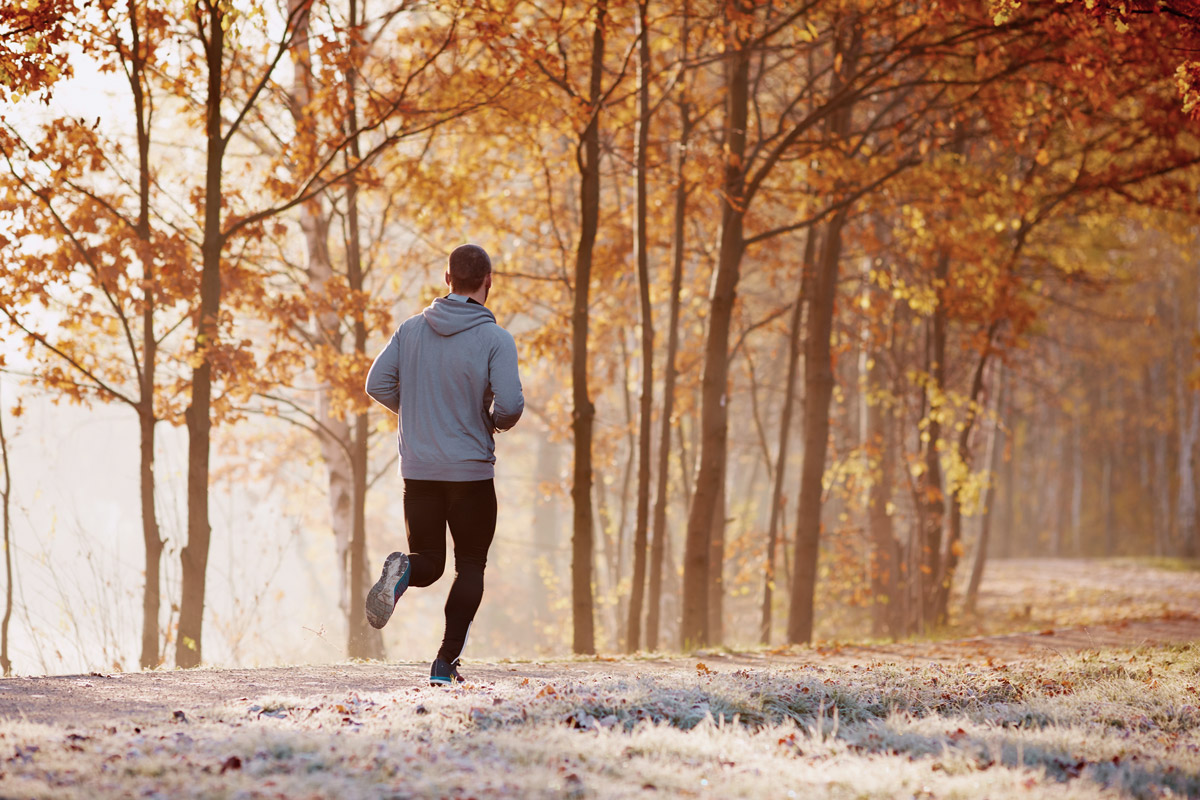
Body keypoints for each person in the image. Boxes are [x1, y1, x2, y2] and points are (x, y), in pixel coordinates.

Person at [363, 243, 523, 686]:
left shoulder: (410, 330)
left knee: (429, 562)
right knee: (470, 565)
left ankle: (404, 571)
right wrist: (489, 421)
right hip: (470, 473)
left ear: (446, 279)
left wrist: (417, 412)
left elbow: (376, 383)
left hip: (419, 471)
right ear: (488, 282)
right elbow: (509, 406)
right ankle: (444, 663)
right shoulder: (495, 339)